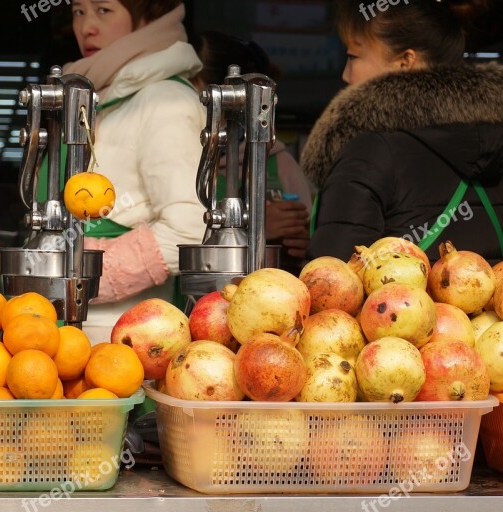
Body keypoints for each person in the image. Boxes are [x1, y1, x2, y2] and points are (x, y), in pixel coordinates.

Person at [302, 0, 503, 263]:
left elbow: (331, 285)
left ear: (405, 62)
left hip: (395, 306)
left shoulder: (369, 151)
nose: (345, 75)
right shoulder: (493, 138)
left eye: (353, 57)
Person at [57, 0, 207, 344]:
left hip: (126, 337)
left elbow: (188, 229)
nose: (86, 27)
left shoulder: (164, 100)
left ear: (148, 16)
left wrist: (77, 276)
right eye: (78, 11)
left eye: (103, 10)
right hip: (74, 333)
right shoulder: (103, 96)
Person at [189, 31, 313, 266]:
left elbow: (306, 242)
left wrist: (302, 243)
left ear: (219, 97)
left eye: (189, 87)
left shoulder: (280, 163)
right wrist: (257, 225)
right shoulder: (183, 157)